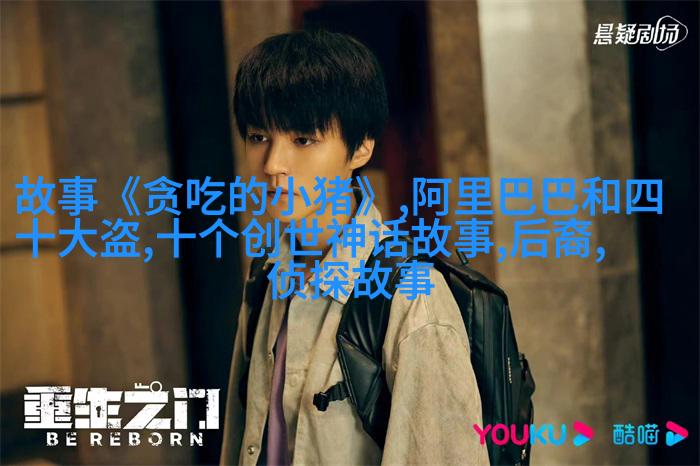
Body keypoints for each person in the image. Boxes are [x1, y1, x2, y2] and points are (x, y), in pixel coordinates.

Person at [220, 29, 489, 466]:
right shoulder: (267, 275)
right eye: (258, 136)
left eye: (303, 139)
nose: (272, 164)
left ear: (361, 148)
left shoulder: (411, 298)